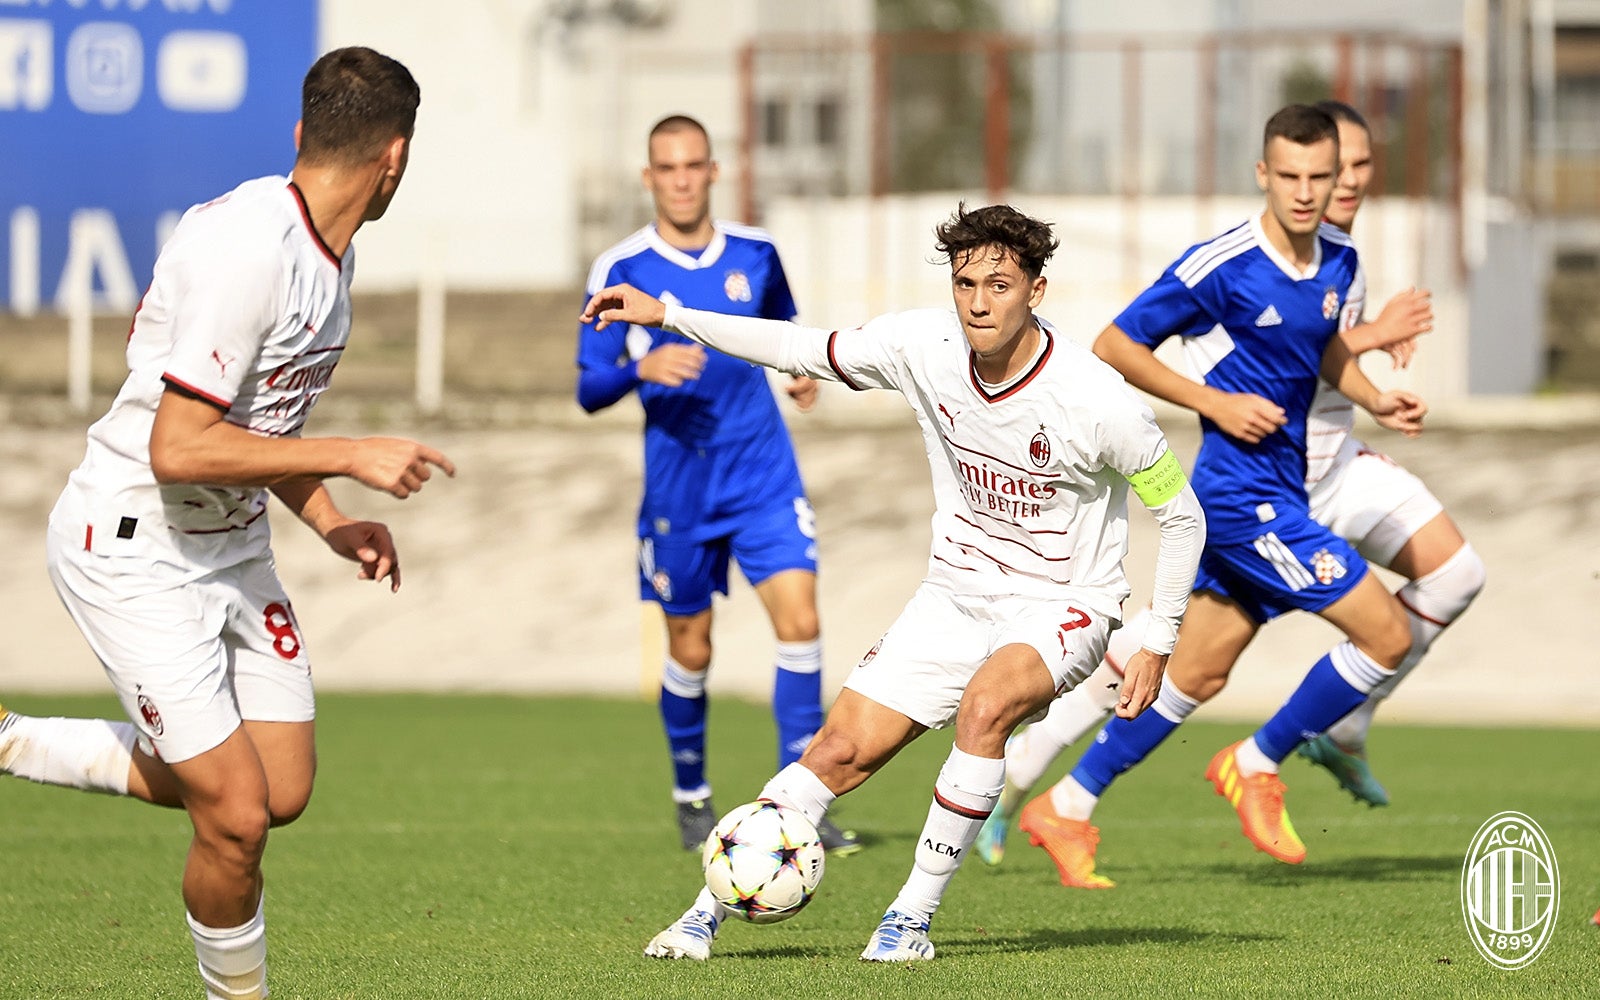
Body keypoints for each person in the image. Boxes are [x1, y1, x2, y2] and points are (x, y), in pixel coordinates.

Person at [580, 202, 1207, 961]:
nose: (979, 301)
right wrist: (672, 313)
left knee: (986, 707)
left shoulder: (1099, 400)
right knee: (835, 754)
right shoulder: (921, 345)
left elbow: (1183, 518)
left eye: (1000, 284)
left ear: (1036, 291)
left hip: (1064, 606)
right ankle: (704, 913)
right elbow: (797, 347)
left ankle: (908, 918)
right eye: (966, 281)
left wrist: (1158, 640)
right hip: (953, 595)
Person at [0, 47, 451, 1000]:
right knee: (236, 815)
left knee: (278, 792)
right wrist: (349, 451)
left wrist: (328, 519)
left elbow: (258, 426)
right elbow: (179, 448)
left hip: (232, 543)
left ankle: (13, 742)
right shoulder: (250, 251)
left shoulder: (333, 254)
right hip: (134, 547)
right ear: (397, 159)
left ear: (303, 133)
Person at [973, 100, 1481, 870]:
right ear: (1263, 175)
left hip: (1290, 486)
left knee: (1196, 671)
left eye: (1320, 175)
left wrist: (1376, 397)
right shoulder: (1223, 264)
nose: (1306, 192)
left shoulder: (1341, 258)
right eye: (1289, 176)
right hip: (1239, 497)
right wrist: (1212, 401)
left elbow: (1324, 350)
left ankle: (1065, 806)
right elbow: (1115, 344)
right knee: (1384, 633)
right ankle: (1258, 761)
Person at [575, 115, 858, 855]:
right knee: (692, 649)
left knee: (801, 623)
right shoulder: (620, 267)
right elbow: (586, 388)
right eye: (666, 167)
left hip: (763, 473)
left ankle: (801, 802)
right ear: (649, 177)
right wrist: (641, 369)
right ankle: (691, 795)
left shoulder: (758, 256)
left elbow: (786, 334)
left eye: (693, 165)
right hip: (680, 489)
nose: (680, 179)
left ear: (712, 172)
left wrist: (800, 374)